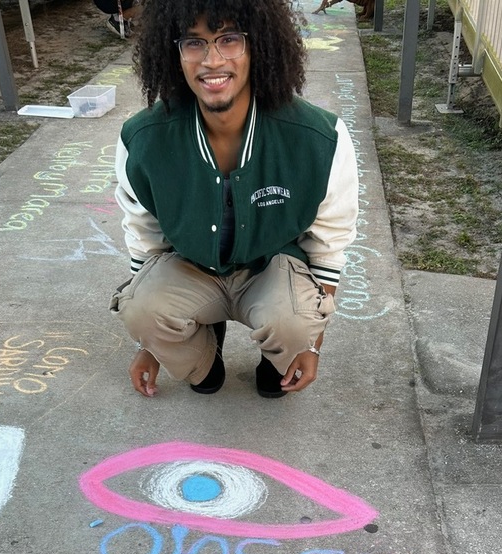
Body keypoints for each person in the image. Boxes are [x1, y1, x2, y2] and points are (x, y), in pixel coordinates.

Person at [111, 0, 359, 399]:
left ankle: (275, 361)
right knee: (140, 308)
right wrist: (150, 344)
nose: (211, 60)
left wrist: (310, 343)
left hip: (272, 270)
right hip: (192, 268)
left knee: (293, 324)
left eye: (229, 39)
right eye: (194, 43)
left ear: (258, 44)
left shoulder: (319, 138)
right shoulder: (143, 139)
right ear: (173, 54)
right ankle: (206, 354)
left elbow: (329, 243)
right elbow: (145, 238)